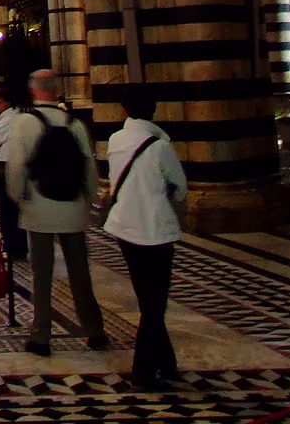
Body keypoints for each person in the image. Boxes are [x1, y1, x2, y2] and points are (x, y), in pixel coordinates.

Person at [5, 69, 107, 357]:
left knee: (42, 275)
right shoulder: (75, 123)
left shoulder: (24, 122)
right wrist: (89, 200)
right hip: (73, 207)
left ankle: (41, 335)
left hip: (39, 206)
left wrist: (18, 198)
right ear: (57, 90)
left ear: (33, 91)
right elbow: (89, 165)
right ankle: (95, 330)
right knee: (80, 272)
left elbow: (16, 166)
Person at [104, 85, 188, 390]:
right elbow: (180, 187)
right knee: (154, 305)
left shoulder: (115, 139)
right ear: (153, 110)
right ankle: (143, 371)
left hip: (124, 227)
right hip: (154, 230)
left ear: (124, 109)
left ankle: (166, 361)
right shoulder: (160, 146)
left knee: (147, 299)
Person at [0, 86, 28, 260]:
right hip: (17, 168)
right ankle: (18, 247)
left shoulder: (9, 119)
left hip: (9, 168)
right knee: (15, 211)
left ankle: (12, 248)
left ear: (9, 103)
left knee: (8, 211)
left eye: (0, 102)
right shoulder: (17, 117)